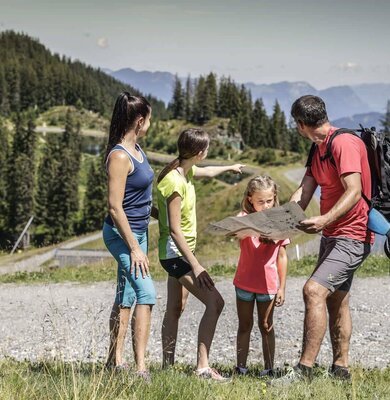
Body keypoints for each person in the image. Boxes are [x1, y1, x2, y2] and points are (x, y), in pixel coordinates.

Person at [273, 95, 372, 384]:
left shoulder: (344, 144)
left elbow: (353, 191)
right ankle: (341, 369)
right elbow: (303, 193)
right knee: (336, 300)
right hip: (332, 235)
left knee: (313, 291)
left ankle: (304, 371)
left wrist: (325, 219)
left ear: (301, 125)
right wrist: (279, 224)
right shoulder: (318, 150)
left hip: (354, 234)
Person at [157, 128, 244, 381]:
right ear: (199, 152)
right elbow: (174, 230)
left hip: (180, 253)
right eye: (206, 149)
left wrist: (230, 167)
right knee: (215, 302)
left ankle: (167, 368)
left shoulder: (185, 170)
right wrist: (196, 266)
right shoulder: (174, 182)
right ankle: (203, 368)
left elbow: (207, 171)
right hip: (176, 255)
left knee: (175, 306)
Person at [102, 92, 156, 379]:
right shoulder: (120, 156)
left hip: (138, 233)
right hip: (122, 236)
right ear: (139, 120)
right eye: (149, 119)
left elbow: (139, 196)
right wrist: (135, 248)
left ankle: (114, 361)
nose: (150, 124)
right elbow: (115, 206)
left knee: (124, 296)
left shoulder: (138, 150)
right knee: (146, 293)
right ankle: (140, 368)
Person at [233, 176, 289, 377]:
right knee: (244, 325)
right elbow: (235, 231)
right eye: (260, 202)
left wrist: (282, 287)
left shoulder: (281, 223)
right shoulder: (243, 217)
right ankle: (240, 368)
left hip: (269, 285)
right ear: (250, 199)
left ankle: (269, 368)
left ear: (274, 198)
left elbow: (282, 256)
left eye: (269, 201)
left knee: (266, 325)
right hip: (244, 283)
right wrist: (249, 229)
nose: (265, 206)